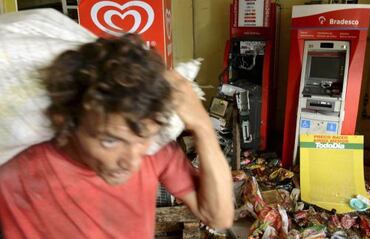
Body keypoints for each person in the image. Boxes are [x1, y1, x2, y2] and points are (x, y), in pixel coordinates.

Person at [0, 34, 234, 238]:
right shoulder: (17, 167)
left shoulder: (153, 150)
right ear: (67, 123)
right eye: (110, 141)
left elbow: (218, 217)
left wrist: (202, 125)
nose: (131, 161)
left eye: (143, 138)